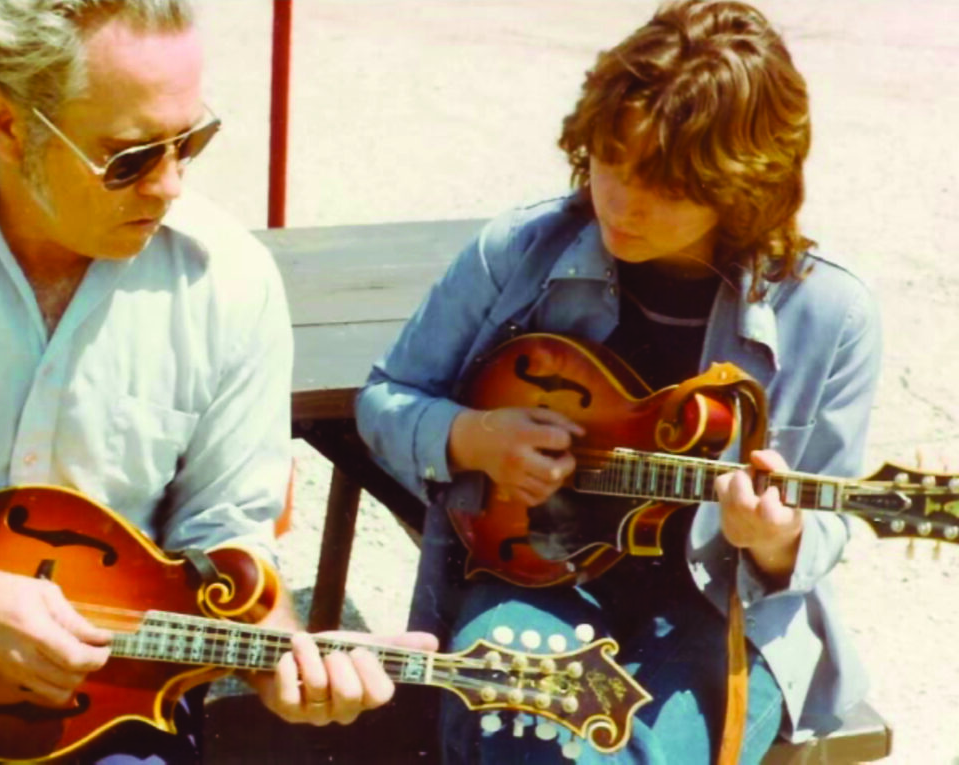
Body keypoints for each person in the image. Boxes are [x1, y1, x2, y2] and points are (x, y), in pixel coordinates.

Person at [356, 0, 881, 762]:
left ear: (744, 185)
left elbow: (824, 520)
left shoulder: (830, 311)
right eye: (610, 160)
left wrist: (775, 537)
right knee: (521, 731)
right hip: (531, 577)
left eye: (665, 186)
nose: (621, 203)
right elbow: (385, 400)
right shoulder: (518, 254)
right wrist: (470, 436)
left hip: (719, 607)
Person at [0, 1, 435, 762]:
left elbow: (225, 543)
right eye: (130, 156)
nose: (170, 185)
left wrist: (285, 661)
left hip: (105, 718)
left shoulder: (226, 281)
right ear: (6, 124)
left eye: (191, 140)